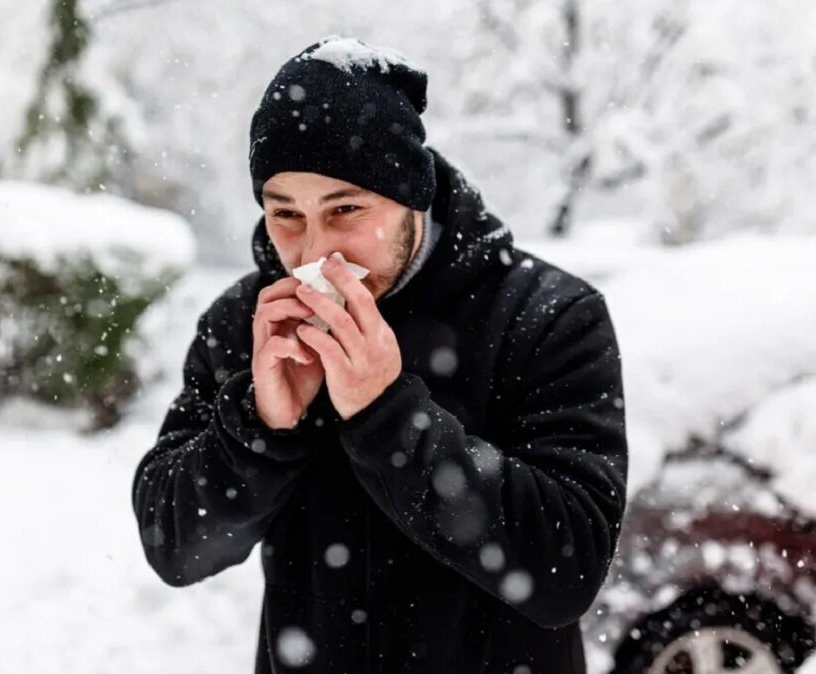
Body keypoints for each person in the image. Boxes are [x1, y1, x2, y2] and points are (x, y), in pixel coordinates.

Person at [131, 35, 628, 674]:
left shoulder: (548, 317)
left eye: (346, 209)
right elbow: (174, 549)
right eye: (286, 215)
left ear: (411, 199)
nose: (313, 251)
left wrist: (387, 416)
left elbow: (568, 571)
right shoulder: (246, 324)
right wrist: (258, 427)